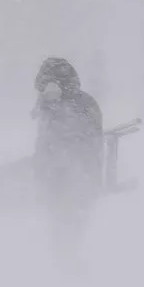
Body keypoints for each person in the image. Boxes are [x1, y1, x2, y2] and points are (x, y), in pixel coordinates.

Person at [32, 57, 104, 263]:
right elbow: (42, 142)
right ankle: (64, 258)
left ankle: (68, 258)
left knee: (72, 217)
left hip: (77, 173)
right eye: (43, 91)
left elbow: (92, 143)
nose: (45, 94)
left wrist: (87, 173)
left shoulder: (80, 106)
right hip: (58, 174)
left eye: (48, 88)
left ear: (60, 84)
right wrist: (40, 171)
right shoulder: (49, 107)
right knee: (60, 220)